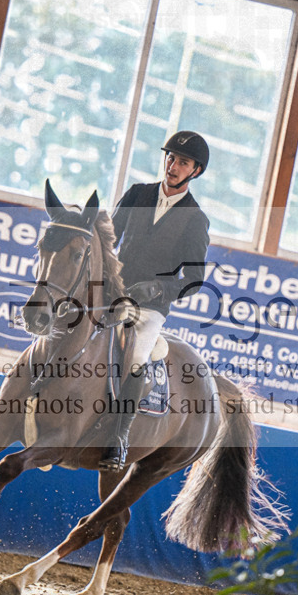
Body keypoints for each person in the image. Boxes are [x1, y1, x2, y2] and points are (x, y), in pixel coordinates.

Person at [100, 130, 211, 472]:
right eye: (171, 158)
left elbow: (194, 280)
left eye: (183, 162)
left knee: (136, 355)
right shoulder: (137, 194)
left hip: (150, 306)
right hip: (113, 290)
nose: (173, 166)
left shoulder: (196, 219)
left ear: (195, 171)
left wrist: (159, 289)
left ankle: (119, 435)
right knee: (65, 318)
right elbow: (109, 238)